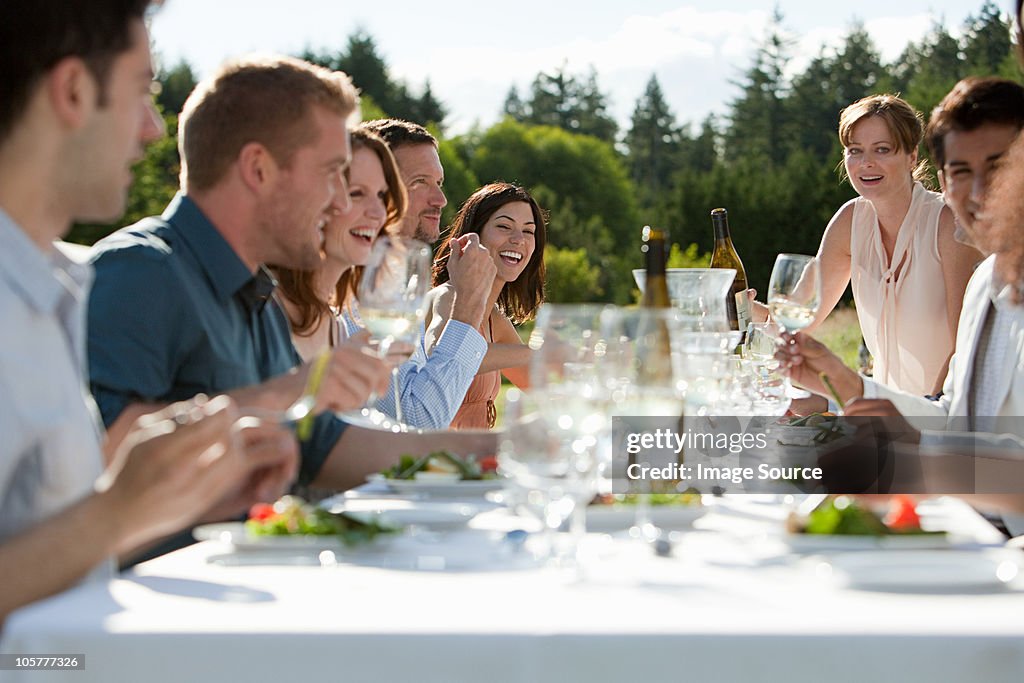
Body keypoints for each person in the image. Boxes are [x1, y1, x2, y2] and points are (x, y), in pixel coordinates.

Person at [86, 57, 496, 557]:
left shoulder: (252, 292)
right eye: (331, 175)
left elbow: (330, 446)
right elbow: (101, 461)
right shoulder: (141, 271)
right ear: (258, 169)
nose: (336, 203)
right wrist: (286, 393)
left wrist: (519, 452)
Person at [0, 1, 298, 623]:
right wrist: (114, 514)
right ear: (75, 91)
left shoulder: (49, 288)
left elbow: (47, 565)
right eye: (144, 91)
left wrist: (175, 499)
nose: (153, 129)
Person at [775, 95, 981, 401]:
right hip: (883, 415)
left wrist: (931, 414)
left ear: (912, 157)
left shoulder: (948, 223)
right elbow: (798, 314)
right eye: (855, 151)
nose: (866, 163)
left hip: (948, 415)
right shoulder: (849, 221)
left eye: (882, 149)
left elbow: (964, 347)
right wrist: (736, 302)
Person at [358, 118, 498, 428]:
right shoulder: (357, 292)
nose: (441, 200)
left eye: (439, 183)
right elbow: (414, 421)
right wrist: (469, 305)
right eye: (420, 182)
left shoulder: (396, 284)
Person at [270, 127, 406, 362]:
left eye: (381, 195)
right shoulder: (265, 310)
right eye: (356, 193)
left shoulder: (337, 328)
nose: (377, 213)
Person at [430, 183, 547, 429]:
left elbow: (542, 388)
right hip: (438, 463)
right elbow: (439, 355)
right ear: (474, 235)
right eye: (504, 227)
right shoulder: (447, 298)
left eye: (528, 231)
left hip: (477, 462)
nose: (518, 240)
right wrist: (535, 353)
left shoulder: (495, 320)